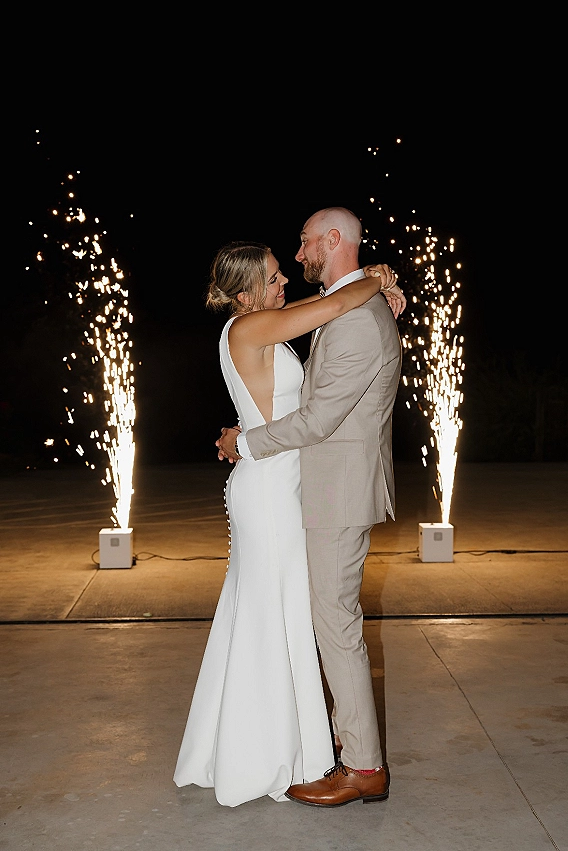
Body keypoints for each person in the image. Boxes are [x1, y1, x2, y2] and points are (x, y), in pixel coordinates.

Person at [173, 236, 401, 808]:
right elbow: (328, 308)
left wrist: (370, 278)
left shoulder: (260, 325)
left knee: (277, 613)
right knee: (276, 616)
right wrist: (376, 279)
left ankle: (287, 747)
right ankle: (273, 754)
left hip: (279, 481)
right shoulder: (250, 327)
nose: (284, 283)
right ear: (246, 292)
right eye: (273, 278)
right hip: (270, 490)